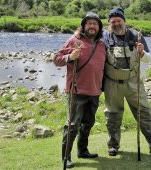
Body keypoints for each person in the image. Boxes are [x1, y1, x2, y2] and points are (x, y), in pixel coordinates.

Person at [103, 7, 151, 158]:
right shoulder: (105, 37)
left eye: (118, 20)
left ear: (124, 21)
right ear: (109, 24)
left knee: (145, 113)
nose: (116, 24)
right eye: (112, 21)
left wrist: (141, 52)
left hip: (134, 83)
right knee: (112, 116)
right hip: (112, 84)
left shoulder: (137, 36)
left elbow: (148, 59)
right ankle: (113, 146)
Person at [54, 12, 106, 168]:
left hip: (95, 91)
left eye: (95, 23)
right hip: (76, 91)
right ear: (83, 26)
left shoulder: (102, 44)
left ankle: (82, 151)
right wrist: (70, 57)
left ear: (99, 27)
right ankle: (66, 157)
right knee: (72, 125)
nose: (92, 26)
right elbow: (56, 59)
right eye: (89, 23)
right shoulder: (74, 41)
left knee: (88, 123)